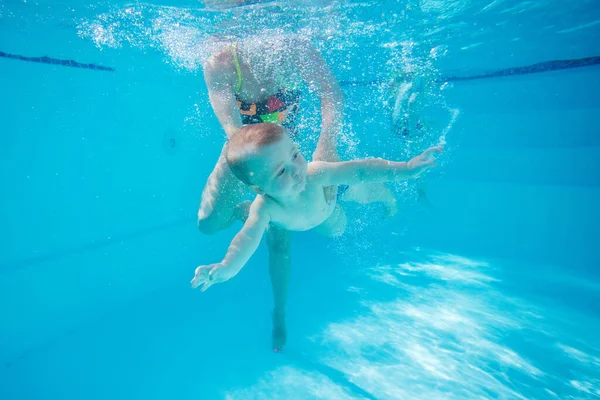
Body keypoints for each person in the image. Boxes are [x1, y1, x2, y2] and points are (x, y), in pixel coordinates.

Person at [197, 36, 397, 352]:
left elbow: (330, 93)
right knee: (208, 223)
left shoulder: (295, 47)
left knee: (300, 233)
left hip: (285, 154)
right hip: (245, 156)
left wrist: (327, 143)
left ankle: (280, 312)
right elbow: (236, 136)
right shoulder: (220, 62)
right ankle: (252, 215)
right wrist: (259, 185)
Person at [191, 122, 443, 293]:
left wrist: (406, 168)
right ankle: (241, 209)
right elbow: (247, 239)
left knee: (362, 192)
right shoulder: (264, 207)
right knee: (335, 230)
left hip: (329, 196)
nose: (296, 170)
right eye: (281, 172)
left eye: (294, 155)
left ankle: (387, 198)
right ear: (259, 189)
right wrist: (227, 268)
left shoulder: (314, 174)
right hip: (312, 215)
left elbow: (361, 169)